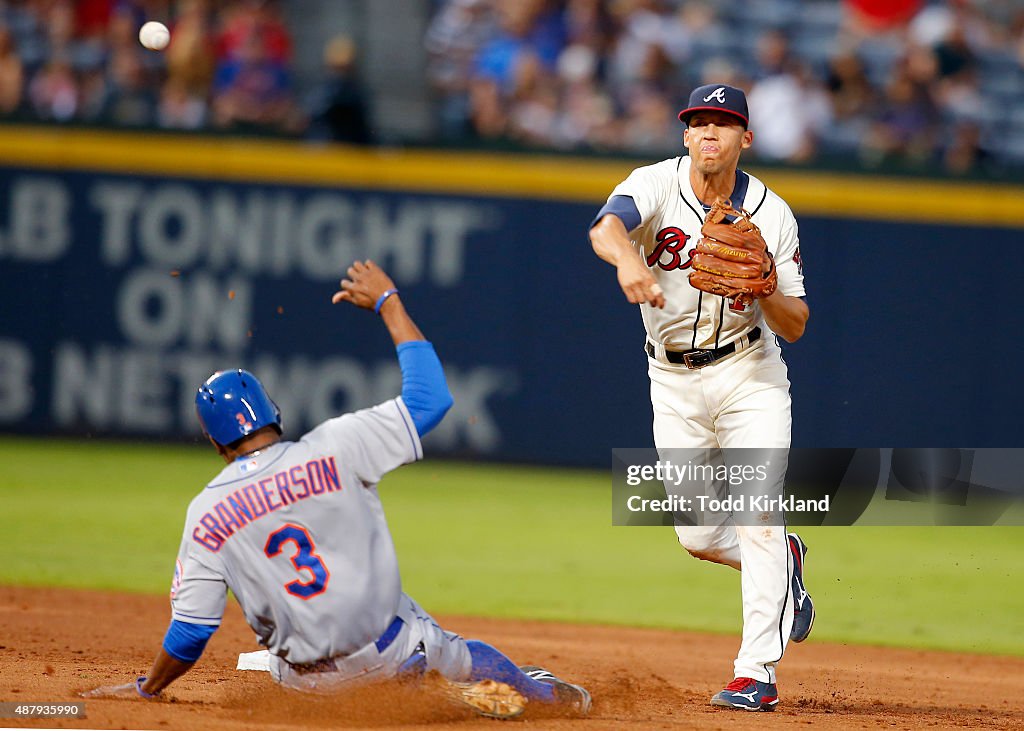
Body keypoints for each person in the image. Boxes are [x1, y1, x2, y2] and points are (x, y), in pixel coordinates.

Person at [87, 261, 590, 720]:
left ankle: (406, 690)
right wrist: (389, 300)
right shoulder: (335, 447)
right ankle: (539, 694)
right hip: (390, 655)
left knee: (286, 647)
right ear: (273, 413)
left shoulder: (207, 511)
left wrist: (148, 689)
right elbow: (430, 399)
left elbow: (192, 632)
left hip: (306, 689)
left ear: (215, 442)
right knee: (454, 648)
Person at [588, 84, 814, 712]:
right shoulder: (656, 184)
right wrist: (626, 264)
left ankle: (756, 675)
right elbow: (606, 227)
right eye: (699, 123)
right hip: (672, 380)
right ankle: (786, 562)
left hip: (750, 373)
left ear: (746, 139)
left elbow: (794, 323)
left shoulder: (772, 213)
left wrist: (766, 287)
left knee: (757, 513)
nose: (710, 133)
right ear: (685, 135)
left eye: (724, 123)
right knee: (698, 534)